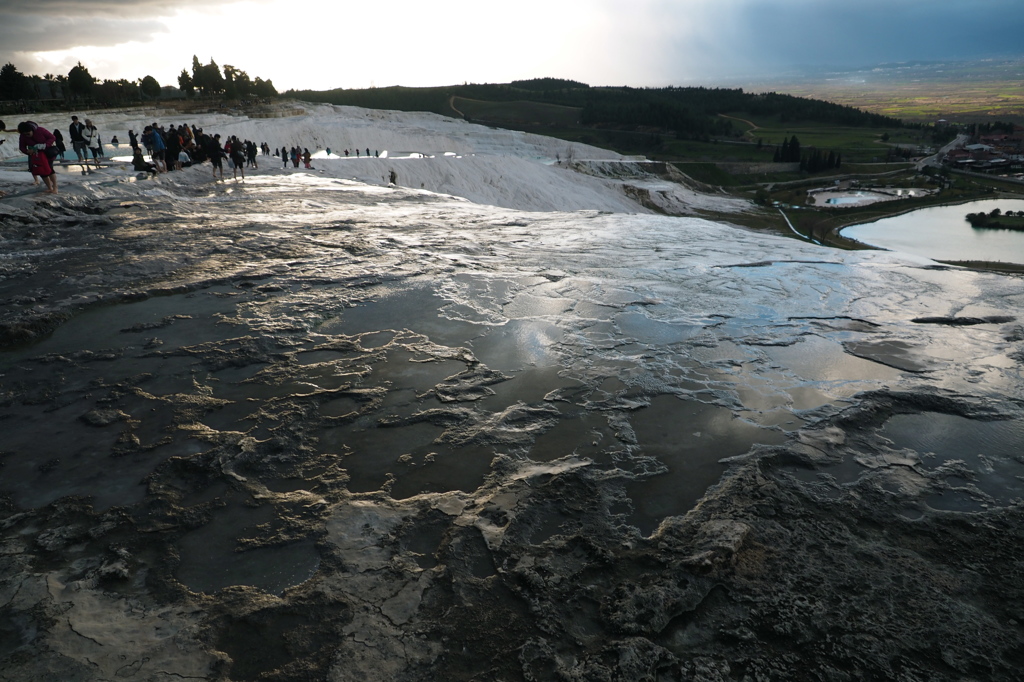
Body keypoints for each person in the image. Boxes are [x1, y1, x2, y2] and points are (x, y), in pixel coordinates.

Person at [18, 121, 58, 194]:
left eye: (28, 133)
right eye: (25, 134)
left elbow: (52, 137)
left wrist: (45, 145)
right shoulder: (23, 136)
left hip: (47, 152)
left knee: (49, 169)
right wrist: (27, 151)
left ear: (31, 130)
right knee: (41, 171)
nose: (27, 135)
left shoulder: (40, 130)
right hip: (36, 155)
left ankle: (55, 188)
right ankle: (49, 188)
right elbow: (21, 147)